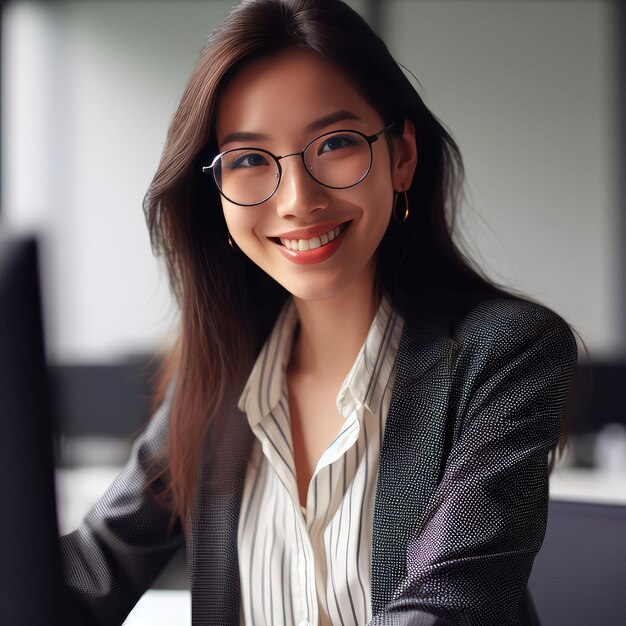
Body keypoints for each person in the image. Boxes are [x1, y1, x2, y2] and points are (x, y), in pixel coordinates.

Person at [60, 1, 578, 624]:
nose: (299, 201)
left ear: (403, 156)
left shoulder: (506, 354)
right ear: (216, 196)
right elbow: (86, 575)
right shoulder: (224, 374)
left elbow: (447, 608)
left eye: (334, 144)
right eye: (249, 160)